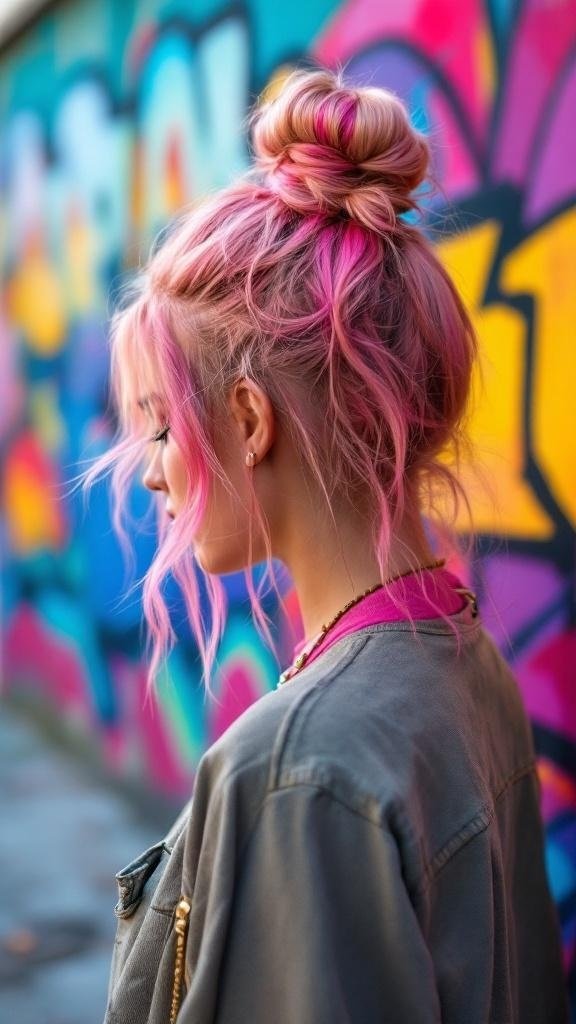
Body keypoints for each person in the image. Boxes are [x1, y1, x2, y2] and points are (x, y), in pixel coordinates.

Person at [81, 67, 568, 1023]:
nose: (149, 473)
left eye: (161, 428)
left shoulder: (297, 770)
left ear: (249, 419)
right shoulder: (463, 661)